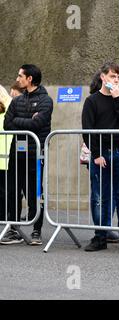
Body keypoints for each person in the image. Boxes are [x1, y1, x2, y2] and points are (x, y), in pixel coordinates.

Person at [81, 62, 119, 252]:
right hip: (101, 154)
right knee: (100, 197)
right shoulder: (92, 101)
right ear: (103, 77)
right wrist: (95, 155)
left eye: (118, 78)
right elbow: (88, 129)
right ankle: (100, 237)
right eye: (113, 76)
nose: (116, 80)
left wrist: (118, 99)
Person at [0, 65, 53, 246]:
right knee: (14, 191)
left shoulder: (46, 101)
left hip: (35, 154)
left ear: (29, 79)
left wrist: (22, 122)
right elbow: (8, 124)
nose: (18, 78)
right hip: (17, 153)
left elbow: (38, 124)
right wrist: (29, 121)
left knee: (34, 192)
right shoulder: (17, 101)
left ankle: (36, 230)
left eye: (20, 75)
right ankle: (14, 229)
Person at [0, 85, 13, 223]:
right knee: (5, 189)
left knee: (4, 189)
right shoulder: (11, 104)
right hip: (6, 156)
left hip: (5, 155)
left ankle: (3, 215)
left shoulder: (9, 106)